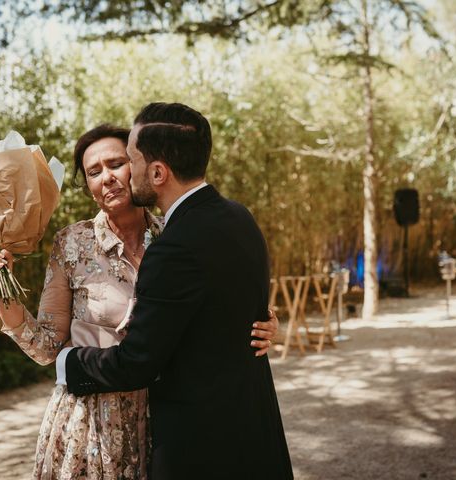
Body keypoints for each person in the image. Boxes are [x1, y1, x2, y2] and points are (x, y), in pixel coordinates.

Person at [0, 124, 279, 479]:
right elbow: (46, 347)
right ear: (87, 186)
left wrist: (262, 321)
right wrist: (0, 287)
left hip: (166, 421)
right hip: (91, 424)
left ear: (141, 166)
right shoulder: (72, 244)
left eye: (117, 163)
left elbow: (213, 310)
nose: (107, 178)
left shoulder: (176, 236)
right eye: (93, 171)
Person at [57, 103, 294, 479]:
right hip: (256, 435)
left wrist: (69, 363)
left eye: (129, 161)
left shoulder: (173, 248)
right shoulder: (239, 217)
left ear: (157, 171)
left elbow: (138, 362)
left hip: (203, 448)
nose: (123, 174)